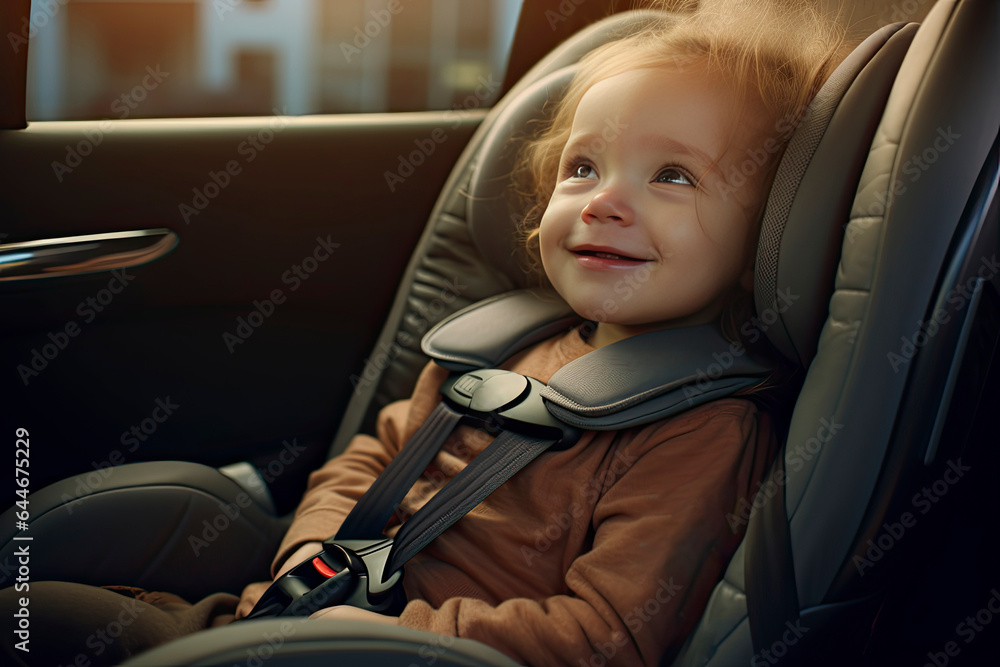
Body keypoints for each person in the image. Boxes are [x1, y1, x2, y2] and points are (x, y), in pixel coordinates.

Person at [1, 1, 849, 665]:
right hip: (289, 614)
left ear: (765, 238)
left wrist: (376, 629)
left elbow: (605, 639)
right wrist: (311, 559)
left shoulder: (704, 433)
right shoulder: (501, 348)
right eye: (582, 166)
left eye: (673, 175)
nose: (603, 199)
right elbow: (368, 456)